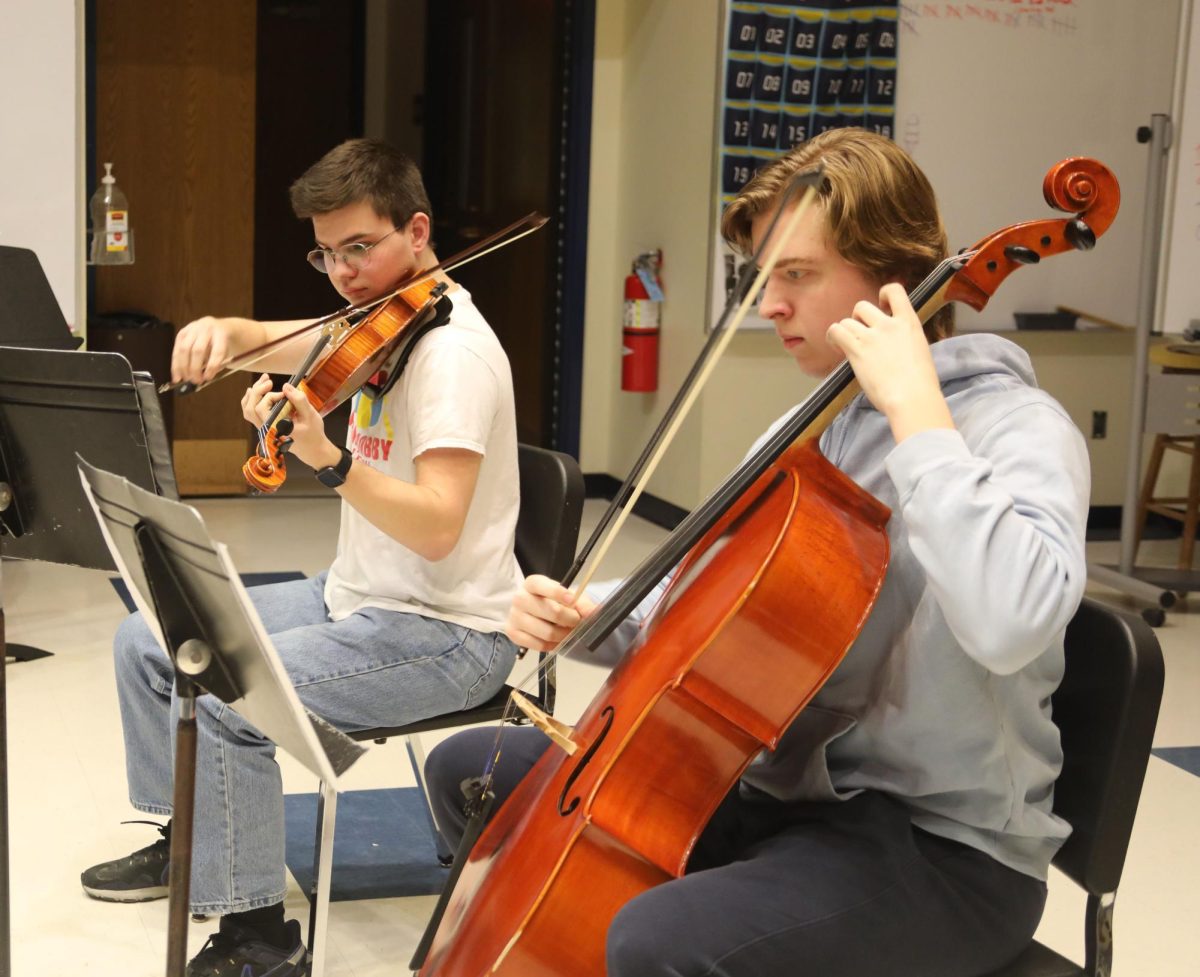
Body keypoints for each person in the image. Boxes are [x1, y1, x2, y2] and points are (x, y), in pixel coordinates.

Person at [425, 127, 1091, 977]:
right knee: (475, 779)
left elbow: (1011, 624)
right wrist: (592, 615)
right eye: (763, 278)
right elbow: (709, 605)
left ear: (893, 274)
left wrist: (921, 419)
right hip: (768, 791)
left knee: (660, 943)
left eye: (797, 275)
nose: (770, 303)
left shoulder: (1018, 427)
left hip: (939, 848)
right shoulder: (812, 425)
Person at [81, 138, 523, 977]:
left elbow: (436, 527)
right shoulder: (378, 324)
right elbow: (271, 338)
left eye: (362, 247)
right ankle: (193, 841)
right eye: (327, 254)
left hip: (448, 630)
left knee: (225, 693)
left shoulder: (453, 353)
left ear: (418, 229)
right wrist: (220, 331)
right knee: (150, 637)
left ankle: (260, 940)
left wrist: (330, 459)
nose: (345, 274)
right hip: (357, 595)